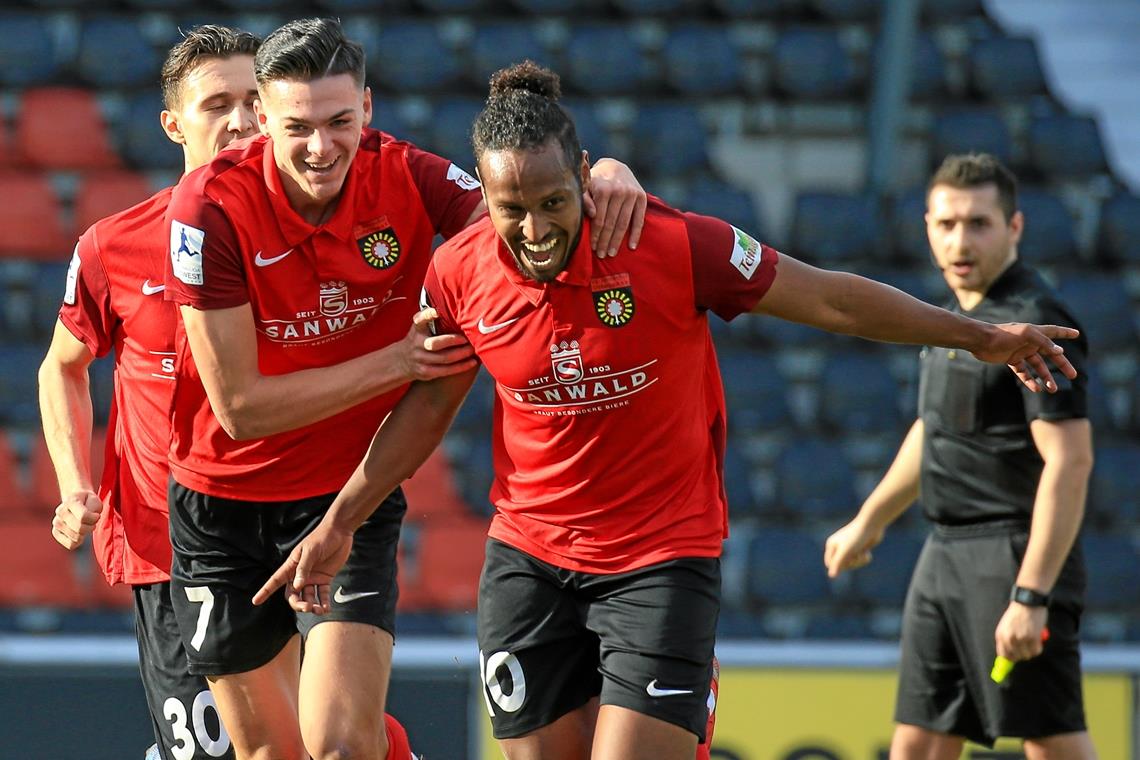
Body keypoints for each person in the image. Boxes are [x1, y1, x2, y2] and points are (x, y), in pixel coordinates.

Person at [254, 63, 1080, 760]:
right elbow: (427, 409)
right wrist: (341, 521)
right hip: (530, 562)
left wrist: (975, 336)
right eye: (513, 210)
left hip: (660, 559)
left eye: (552, 201)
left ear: (586, 177)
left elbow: (832, 302)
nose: (535, 227)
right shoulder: (460, 273)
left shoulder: (674, 245)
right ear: (487, 203)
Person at [161, 19, 647, 760]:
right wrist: (398, 363)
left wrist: (602, 175)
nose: (321, 148)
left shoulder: (410, 177)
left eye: (340, 123)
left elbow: (527, 225)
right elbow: (240, 408)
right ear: (262, 117)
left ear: (369, 107)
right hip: (218, 503)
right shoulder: (206, 208)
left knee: (343, 746)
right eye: (296, 127)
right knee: (269, 755)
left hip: (345, 494)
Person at [37, 24, 425, 760]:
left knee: (341, 740)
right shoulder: (113, 246)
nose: (242, 121)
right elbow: (61, 365)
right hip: (178, 544)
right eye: (218, 103)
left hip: (309, 514)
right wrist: (72, 485)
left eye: (255, 100)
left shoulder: (314, 223)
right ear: (173, 124)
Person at [824, 153, 1096, 759]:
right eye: (946, 224)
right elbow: (935, 429)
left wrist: (1031, 595)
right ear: (926, 226)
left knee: (1048, 736)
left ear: (1015, 228)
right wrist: (870, 520)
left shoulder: (1034, 322)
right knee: (918, 740)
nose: (960, 240)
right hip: (943, 555)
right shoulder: (955, 321)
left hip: (1012, 555)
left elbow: (1070, 462)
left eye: (979, 223)